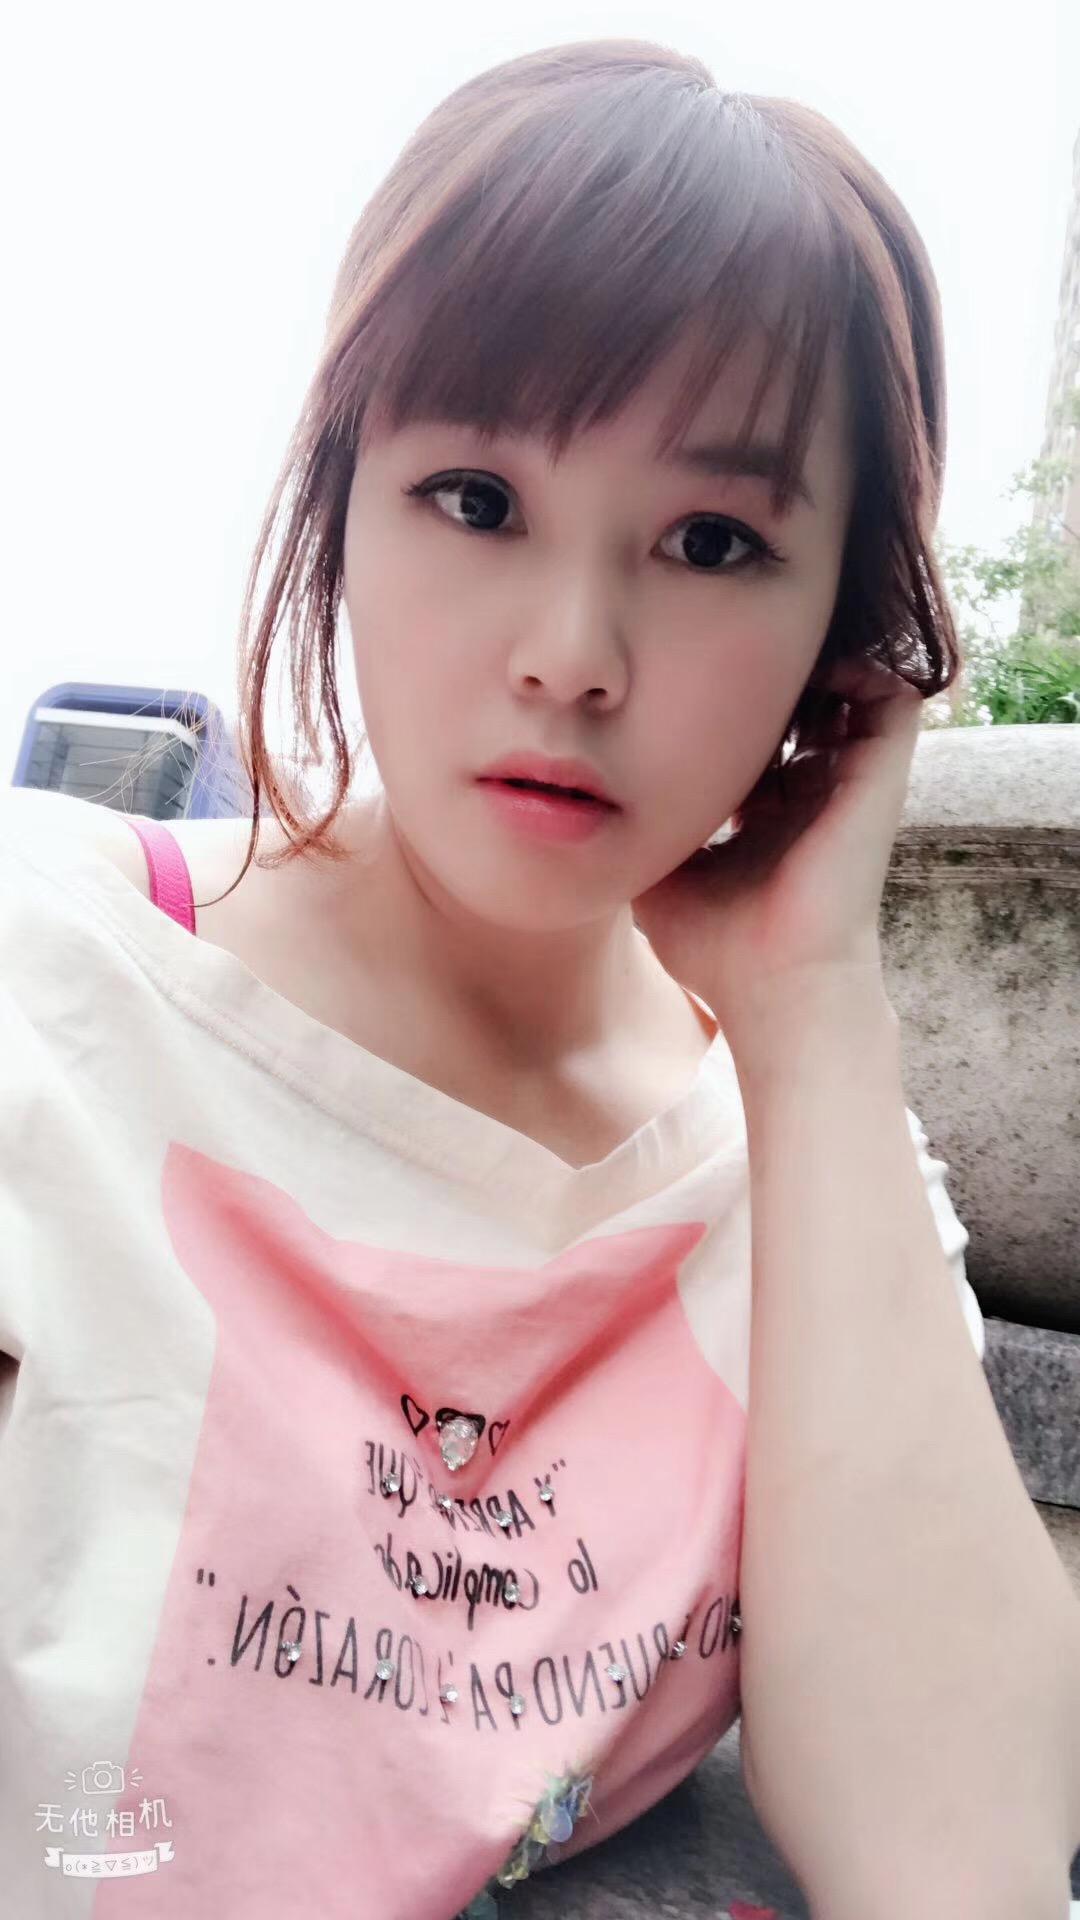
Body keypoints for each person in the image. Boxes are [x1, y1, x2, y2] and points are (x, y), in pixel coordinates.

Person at [2, 36, 1009, 1920]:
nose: (572, 652)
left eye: (714, 542)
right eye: (474, 498)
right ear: (342, 502)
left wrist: (814, 1015)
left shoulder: (808, 1176)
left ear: (841, 637)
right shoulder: (54, 988)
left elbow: (957, 1862)